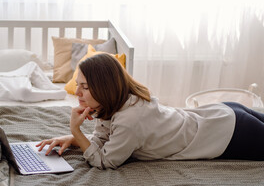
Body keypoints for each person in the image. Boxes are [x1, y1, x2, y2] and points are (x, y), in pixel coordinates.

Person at [37, 53, 264, 170]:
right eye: (78, 85)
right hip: (222, 115)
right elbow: (103, 140)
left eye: (84, 87)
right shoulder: (115, 103)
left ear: (105, 88)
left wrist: (76, 132)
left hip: (229, 133)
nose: (77, 92)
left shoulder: (130, 118)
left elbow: (105, 162)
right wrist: (73, 139)